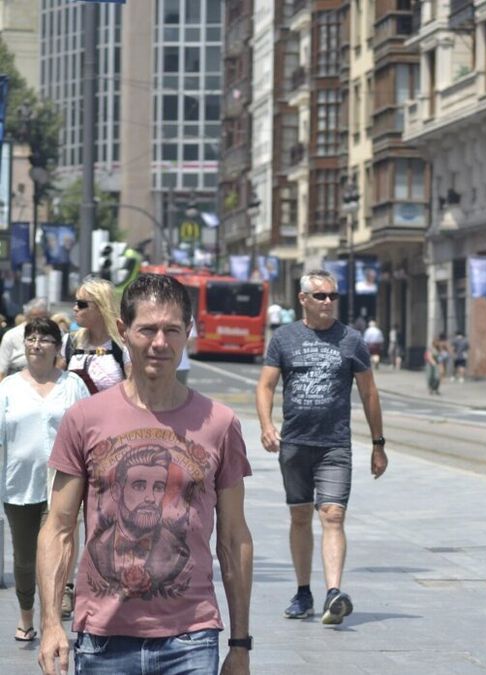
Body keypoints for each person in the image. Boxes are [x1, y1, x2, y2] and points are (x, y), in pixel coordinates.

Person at [37, 274, 254, 675]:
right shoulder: (85, 418)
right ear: (123, 330)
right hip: (102, 639)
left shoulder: (220, 423)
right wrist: (51, 624)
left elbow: (234, 536)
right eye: (148, 329)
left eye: (172, 330)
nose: (160, 343)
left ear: (187, 331)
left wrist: (240, 644)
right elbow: (59, 526)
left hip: (191, 638)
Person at [256, 270, 387, 627]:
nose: (328, 302)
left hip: (334, 445)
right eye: (320, 296)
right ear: (303, 299)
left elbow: (369, 392)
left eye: (333, 296)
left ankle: (333, 592)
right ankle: (303, 592)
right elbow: (266, 386)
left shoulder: (352, 340)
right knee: (300, 516)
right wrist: (267, 426)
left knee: (332, 515)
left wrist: (378, 444)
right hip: (295, 443)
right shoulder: (284, 338)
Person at [0, 318, 89, 643]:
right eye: (31, 338)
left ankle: (51, 618)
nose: (36, 344)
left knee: (57, 555)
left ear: (57, 346)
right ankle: (27, 618)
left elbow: (85, 433)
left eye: (44, 339)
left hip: (62, 486)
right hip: (18, 484)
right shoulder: (8, 387)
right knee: (24, 559)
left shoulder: (72, 385)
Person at [64, 277, 129, 395]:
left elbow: (134, 391)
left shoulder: (123, 346)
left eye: (81, 304)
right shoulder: (70, 342)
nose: (75, 308)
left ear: (100, 308)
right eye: (75, 303)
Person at [0, 298, 50, 379]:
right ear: (26, 317)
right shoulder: (11, 336)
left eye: (43, 319)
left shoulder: (56, 333)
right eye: (35, 319)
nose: (39, 323)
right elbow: (1, 370)